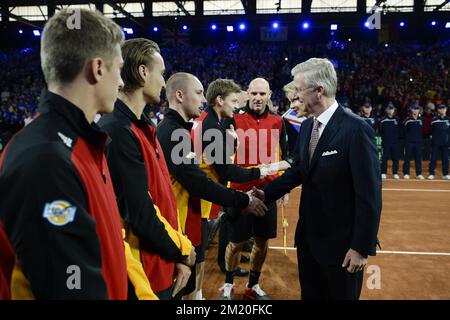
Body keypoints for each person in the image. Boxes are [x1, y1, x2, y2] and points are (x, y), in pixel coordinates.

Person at [0, 9, 156, 299]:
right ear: (98, 69)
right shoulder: (45, 159)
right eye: (119, 68)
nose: (122, 82)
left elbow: (109, 244)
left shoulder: (85, 143)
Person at [253, 58, 382, 300]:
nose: (296, 95)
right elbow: (299, 171)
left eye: (300, 89)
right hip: (309, 241)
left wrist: (361, 247)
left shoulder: (356, 129)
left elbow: (370, 194)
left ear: (319, 90)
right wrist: (266, 193)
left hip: (343, 248)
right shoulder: (308, 126)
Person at [156, 72, 268, 300]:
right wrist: (243, 197)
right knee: (179, 284)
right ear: (179, 95)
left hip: (190, 213)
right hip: (179, 217)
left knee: (190, 278)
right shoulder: (174, 131)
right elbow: (199, 181)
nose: (203, 99)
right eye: (198, 93)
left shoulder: (182, 128)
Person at [98, 38, 195, 300]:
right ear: (143, 72)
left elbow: (160, 200)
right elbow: (140, 213)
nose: (164, 82)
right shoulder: (118, 130)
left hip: (160, 260)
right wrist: (182, 250)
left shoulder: (143, 126)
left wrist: (174, 254)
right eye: (161, 73)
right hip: (142, 275)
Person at [220, 78, 289, 300]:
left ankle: (253, 284)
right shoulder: (234, 118)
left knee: (262, 241)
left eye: (262, 94)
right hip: (240, 192)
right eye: (254, 94)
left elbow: (285, 156)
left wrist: (283, 187)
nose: (258, 98)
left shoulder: (278, 122)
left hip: (267, 191)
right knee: (236, 241)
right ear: (247, 94)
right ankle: (228, 284)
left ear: (269, 95)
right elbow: (220, 156)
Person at [402, 104, 425, 179]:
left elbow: (423, 131)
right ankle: (406, 173)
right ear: (411, 110)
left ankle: (419, 174)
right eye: (414, 109)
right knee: (407, 158)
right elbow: (404, 131)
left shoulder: (421, 119)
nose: (415, 110)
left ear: (419, 110)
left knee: (418, 158)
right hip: (409, 142)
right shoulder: (407, 120)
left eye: (417, 109)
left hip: (418, 142)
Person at [428, 104, 450, 180]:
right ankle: (431, 173)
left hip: (446, 143)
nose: (442, 110)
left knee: (445, 159)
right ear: (438, 110)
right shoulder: (434, 120)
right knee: (433, 159)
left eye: (443, 108)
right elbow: (431, 132)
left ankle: (445, 174)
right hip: (435, 143)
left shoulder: (449, 119)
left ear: (446, 109)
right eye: (440, 108)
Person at [380, 103, 401, 179]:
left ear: (394, 110)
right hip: (385, 142)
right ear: (386, 110)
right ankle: (383, 172)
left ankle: (395, 173)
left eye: (392, 109)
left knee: (395, 158)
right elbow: (380, 130)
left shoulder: (397, 119)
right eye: (389, 109)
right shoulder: (383, 120)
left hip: (395, 142)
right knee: (384, 158)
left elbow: (400, 130)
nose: (391, 110)